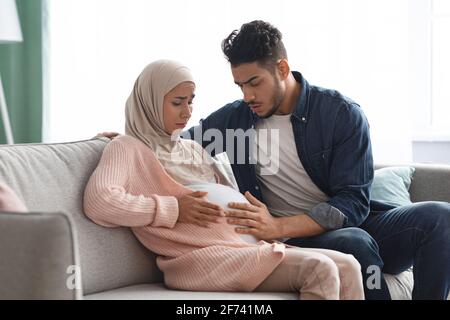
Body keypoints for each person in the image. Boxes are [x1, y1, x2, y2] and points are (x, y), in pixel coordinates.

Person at [182, 21, 450, 300]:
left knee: (441, 217)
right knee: (354, 243)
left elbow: (353, 202)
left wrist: (277, 225)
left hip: (353, 224)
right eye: (240, 85)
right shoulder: (234, 121)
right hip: (302, 241)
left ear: (282, 69)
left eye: (254, 83)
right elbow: (176, 148)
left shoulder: (340, 114)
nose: (247, 95)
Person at [85, 59, 365, 299]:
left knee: (349, 265)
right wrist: (173, 208)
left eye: (191, 101)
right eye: (177, 102)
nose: (187, 111)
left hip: (244, 246)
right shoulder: (128, 148)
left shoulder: (191, 147)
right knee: (320, 268)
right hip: (199, 258)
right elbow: (100, 201)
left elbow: (220, 192)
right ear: (148, 102)